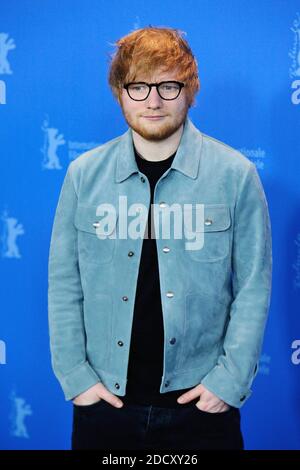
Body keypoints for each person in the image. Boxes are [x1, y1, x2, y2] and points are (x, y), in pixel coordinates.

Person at [48, 26, 272, 451]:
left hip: (201, 412)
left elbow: (253, 285)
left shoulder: (236, 175)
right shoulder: (83, 176)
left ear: (190, 91)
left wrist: (229, 382)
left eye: (168, 85)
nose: (153, 100)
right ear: (120, 92)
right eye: (139, 86)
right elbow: (65, 283)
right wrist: (75, 377)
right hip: (104, 409)